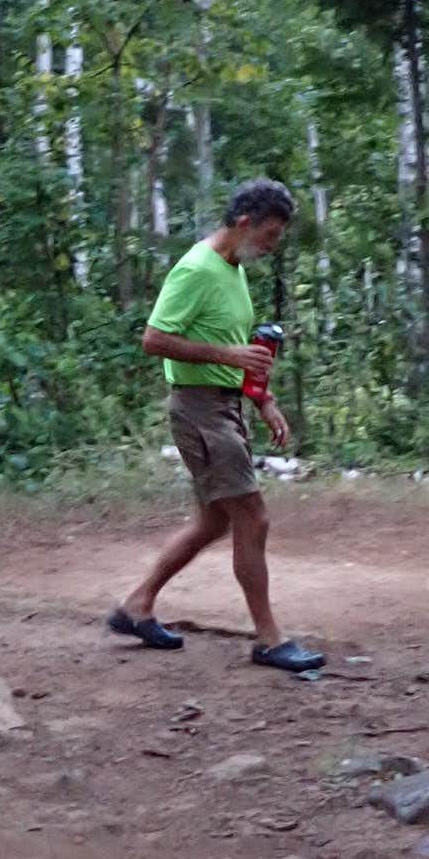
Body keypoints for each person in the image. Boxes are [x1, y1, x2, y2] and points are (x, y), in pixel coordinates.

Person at [109, 176, 324, 674]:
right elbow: (154, 339)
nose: (271, 247)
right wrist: (226, 355)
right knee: (253, 517)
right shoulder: (196, 269)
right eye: (269, 236)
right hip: (199, 411)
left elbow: (233, 347)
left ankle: (135, 606)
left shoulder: (232, 267)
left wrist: (262, 399)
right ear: (245, 223)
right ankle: (269, 640)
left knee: (214, 520)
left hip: (224, 406)